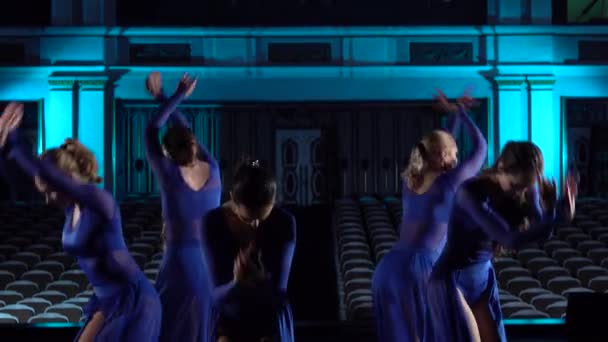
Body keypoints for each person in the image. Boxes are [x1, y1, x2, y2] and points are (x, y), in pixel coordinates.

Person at [0, 102, 161, 341]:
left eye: (50, 192)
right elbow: (30, 176)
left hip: (132, 300)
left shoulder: (99, 200)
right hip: (105, 300)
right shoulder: (70, 208)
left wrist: (14, 137)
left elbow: (45, 173)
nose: (47, 200)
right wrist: (7, 145)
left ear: (65, 179)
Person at [425, 141, 577, 342]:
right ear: (501, 168)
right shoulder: (470, 192)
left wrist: (551, 210)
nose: (518, 193)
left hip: (482, 277)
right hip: (452, 280)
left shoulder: (525, 187)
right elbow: (509, 239)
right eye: (515, 186)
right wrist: (557, 218)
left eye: (524, 187)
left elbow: (542, 231)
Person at [372, 89, 487, 341]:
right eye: (454, 154)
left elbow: (442, 143)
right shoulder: (450, 182)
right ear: (442, 155)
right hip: (421, 268)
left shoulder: (412, 180)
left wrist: (453, 117)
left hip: (390, 267)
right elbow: (481, 148)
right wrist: (461, 112)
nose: (457, 159)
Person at [144, 72, 222, 342]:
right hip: (209, 261)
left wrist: (170, 98)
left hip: (179, 261)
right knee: (201, 323)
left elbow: (152, 128)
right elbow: (186, 134)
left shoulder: (169, 174)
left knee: (172, 324)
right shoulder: (213, 169)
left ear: (168, 153)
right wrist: (168, 95)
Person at [202, 160, 296, 342]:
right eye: (247, 218)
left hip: (269, 315)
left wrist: (262, 280)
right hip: (227, 316)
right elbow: (215, 296)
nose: (255, 225)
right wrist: (237, 283)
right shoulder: (212, 223)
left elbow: (279, 295)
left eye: (263, 218)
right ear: (232, 199)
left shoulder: (285, 222)